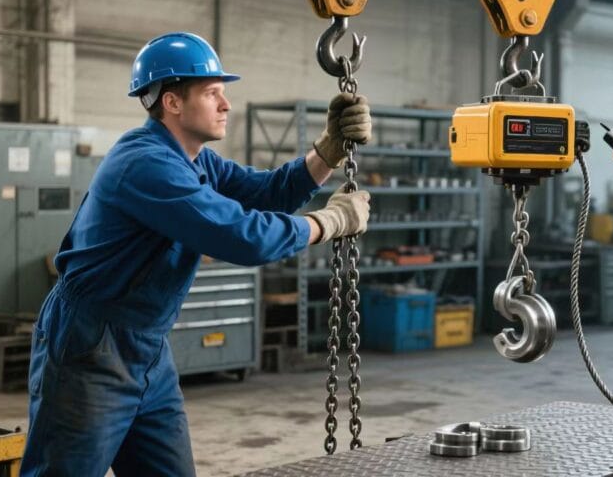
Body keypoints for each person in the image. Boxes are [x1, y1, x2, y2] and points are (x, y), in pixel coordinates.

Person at [20, 32, 372, 476]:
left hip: (149, 348)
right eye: (212, 93)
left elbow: (267, 191)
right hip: (89, 347)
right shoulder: (144, 163)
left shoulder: (197, 160)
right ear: (172, 102)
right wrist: (329, 222)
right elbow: (240, 236)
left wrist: (328, 150)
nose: (226, 104)